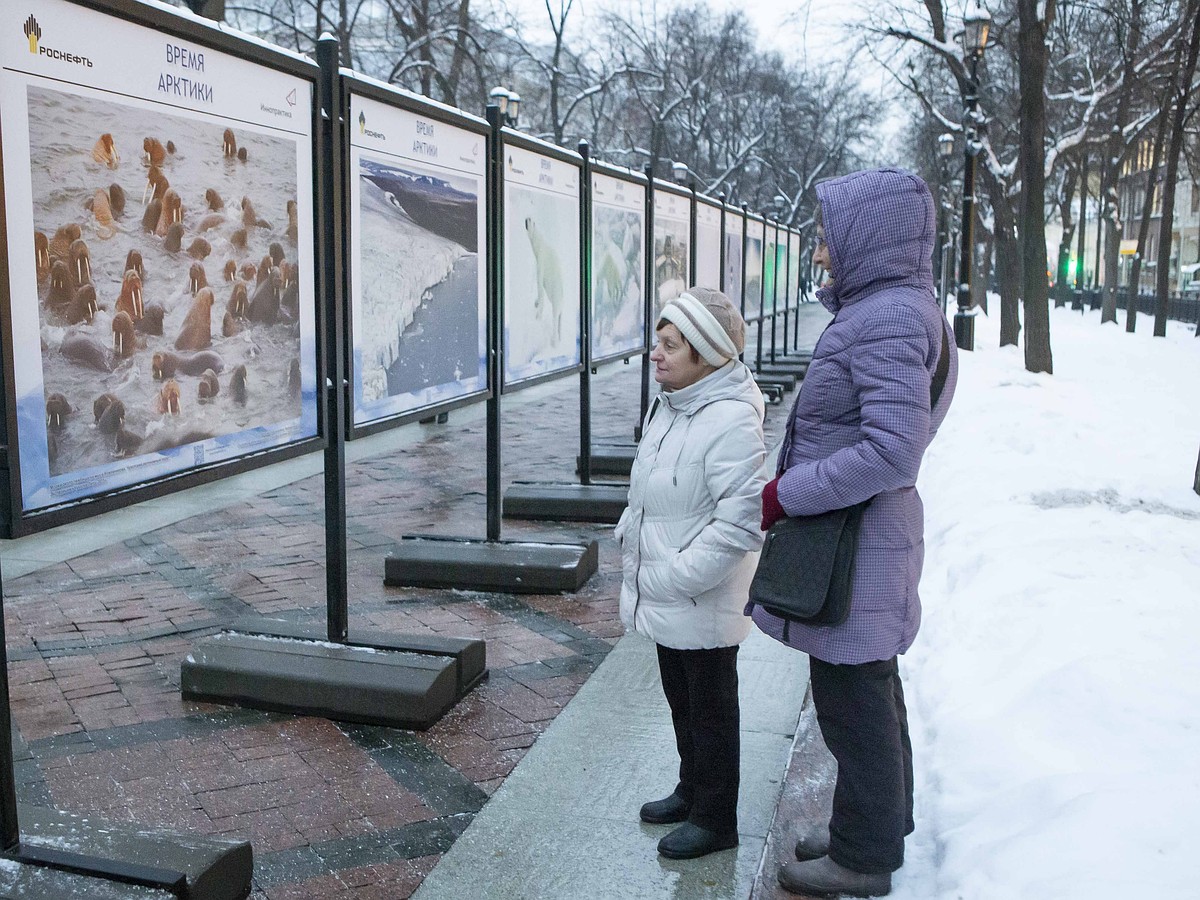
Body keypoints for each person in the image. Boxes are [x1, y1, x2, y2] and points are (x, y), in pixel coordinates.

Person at [754, 168, 958, 898]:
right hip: (860, 539)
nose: (819, 249)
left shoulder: (890, 317)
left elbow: (892, 448)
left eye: (828, 235)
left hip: (855, 542)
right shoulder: (893, 309)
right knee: (868, 691)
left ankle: (864, 857)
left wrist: (787, 494)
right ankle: (873, 827)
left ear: (866, 236)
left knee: (854, 706)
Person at [615, 286, 767, 860]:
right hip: (668, 590)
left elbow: (740, 526)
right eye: (657, 341)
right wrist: (632, 529)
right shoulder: (672, 405)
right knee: (681, 699)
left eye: (670, 345)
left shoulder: (729, 420)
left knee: (711, 708)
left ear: (704, 355)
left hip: (699, 596)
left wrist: (673, 576)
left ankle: (715, 817)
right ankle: (691, 788)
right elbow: (653, 488)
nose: (656, 353)